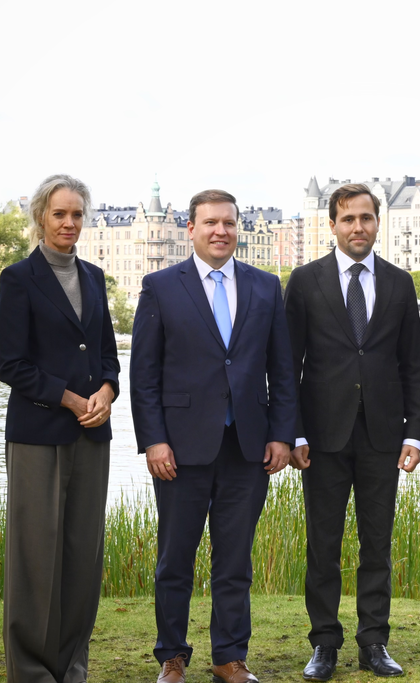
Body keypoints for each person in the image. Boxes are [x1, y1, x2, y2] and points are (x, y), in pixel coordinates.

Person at [130, 189, 296, 683]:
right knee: (175, 558)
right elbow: (144, 375)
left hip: (248, 445)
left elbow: (281, 369)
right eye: (210, 223)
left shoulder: (266, 286)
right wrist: (153, 440)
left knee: (235, 561)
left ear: (238, 227)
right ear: (191, 229)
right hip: (179, 447)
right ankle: (172, 656)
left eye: (228, 222)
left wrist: (282, 435)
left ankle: (228, 656)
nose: (220, 231)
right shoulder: (161, 286)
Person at [284, 183, 420, 681]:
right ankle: (324, 642)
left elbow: (415, 366)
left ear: (377, 222)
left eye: (366, 218)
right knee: (322, 545)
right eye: (348, 219)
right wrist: (294, 433)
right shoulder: (304, 282)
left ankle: (374, 642)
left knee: (377, 545)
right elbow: (288, 367)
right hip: (321, 438)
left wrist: (415, 434)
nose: (358, 227)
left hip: (384, 436)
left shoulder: (399, 283)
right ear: (332, 225)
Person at [0, 174, 120, 682]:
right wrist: (70, 399)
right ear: (41, 218)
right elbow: (12, 365)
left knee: (82, 557)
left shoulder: (93, 276)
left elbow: (109, 357)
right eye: (59, 214)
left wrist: (107, 393)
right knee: (35, 558)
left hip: (92, 434)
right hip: (38, 435)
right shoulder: (18, 278)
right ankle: (30, 670)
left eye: (77, 215)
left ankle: (71, 666)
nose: (69, 223)